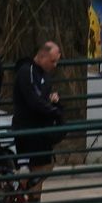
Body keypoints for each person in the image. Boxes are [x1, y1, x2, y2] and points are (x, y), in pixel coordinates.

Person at [12, 41, 64, 188]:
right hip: (27, 129)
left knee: (44, 166)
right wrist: (54, 111)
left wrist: (53, 103)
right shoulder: (26, 71)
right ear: (41, 56)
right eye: (52, 61)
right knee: (33, 170)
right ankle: (20, 199)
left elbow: (41, 98)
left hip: (40, 128)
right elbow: (33, 99)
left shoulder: (45, 76)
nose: (55, 65)